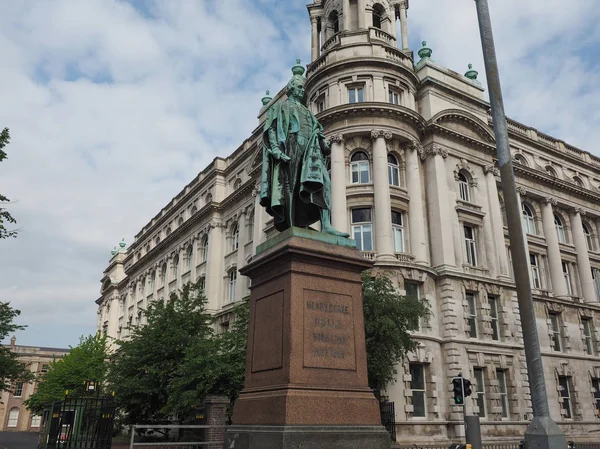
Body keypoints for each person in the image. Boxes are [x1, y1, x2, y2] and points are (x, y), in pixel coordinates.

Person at [259, 60, 348, 237]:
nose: (302, 91)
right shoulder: (279, 107)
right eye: (299, 87)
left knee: (324, 183)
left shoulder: (308, 112)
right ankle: (294, 225)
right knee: (290, 188)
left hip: (310, 150)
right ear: (291, 88)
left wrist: (322, 143)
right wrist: (276, 150)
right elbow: (270, 130)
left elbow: (317, 130)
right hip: (291, 147)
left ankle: (326, 224)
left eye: (303, 88)